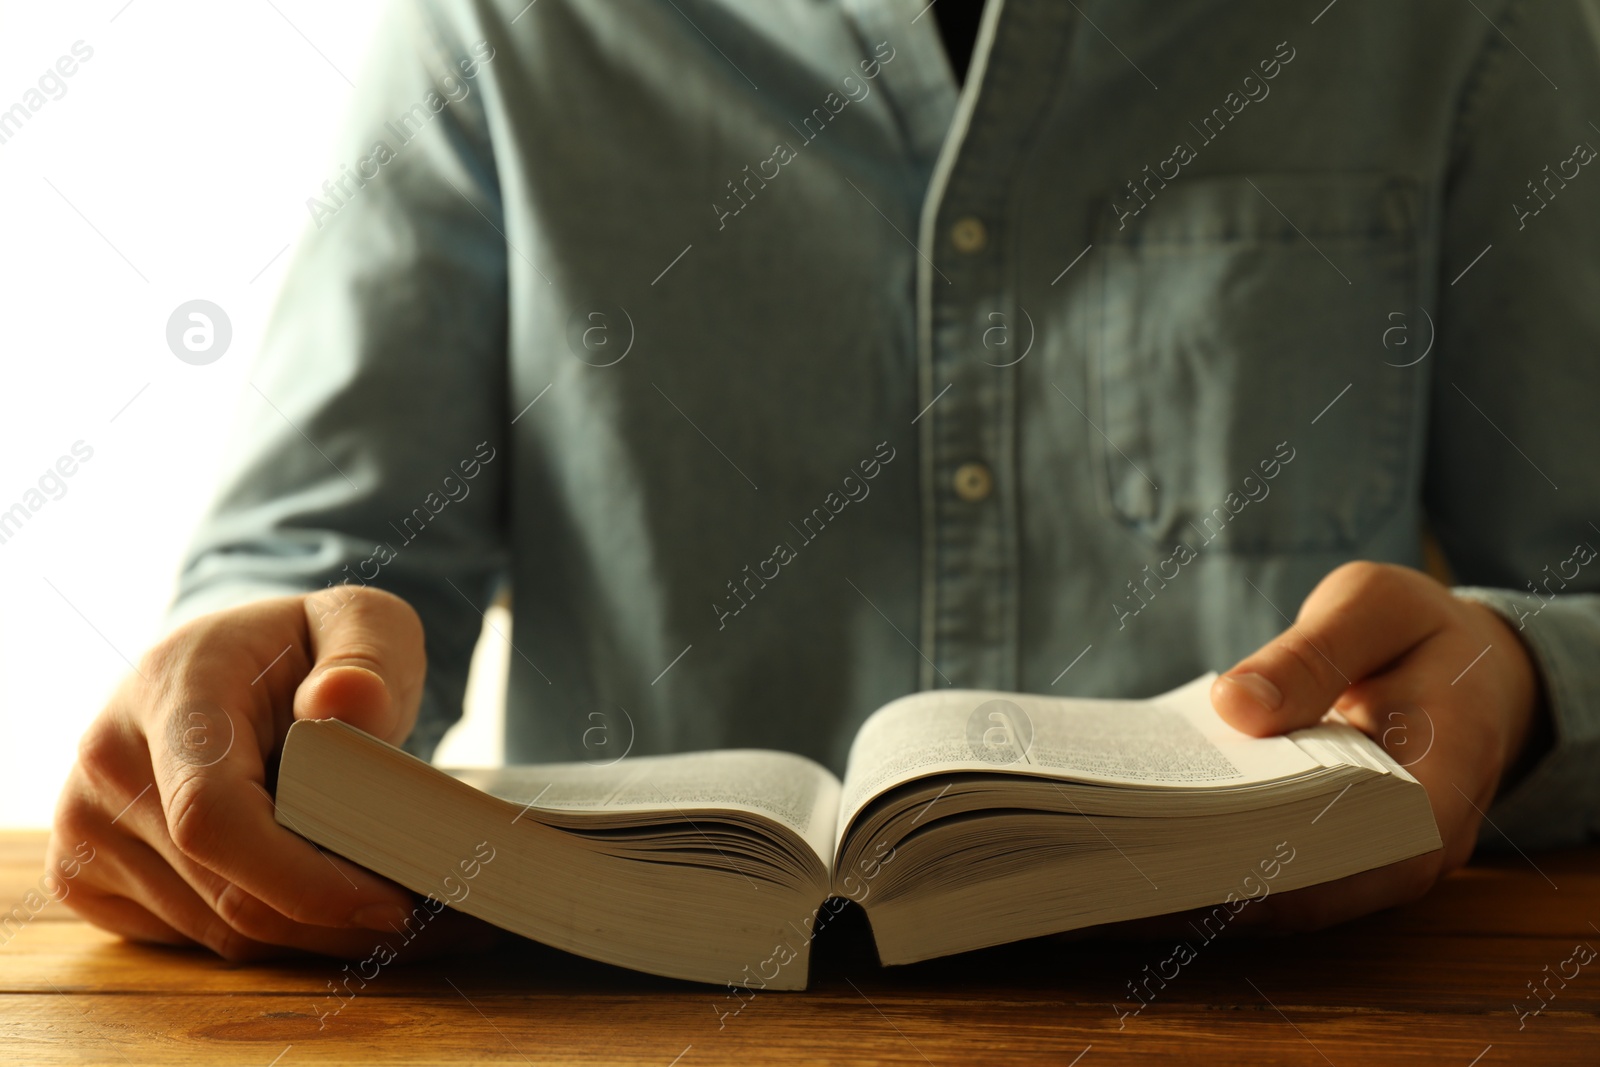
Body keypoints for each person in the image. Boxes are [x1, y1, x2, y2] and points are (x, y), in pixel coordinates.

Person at [49, 0, 1599, 961]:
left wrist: (1526, 676)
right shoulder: (498, 20)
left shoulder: (1457, 15)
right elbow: (325, 569)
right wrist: (240, 686)